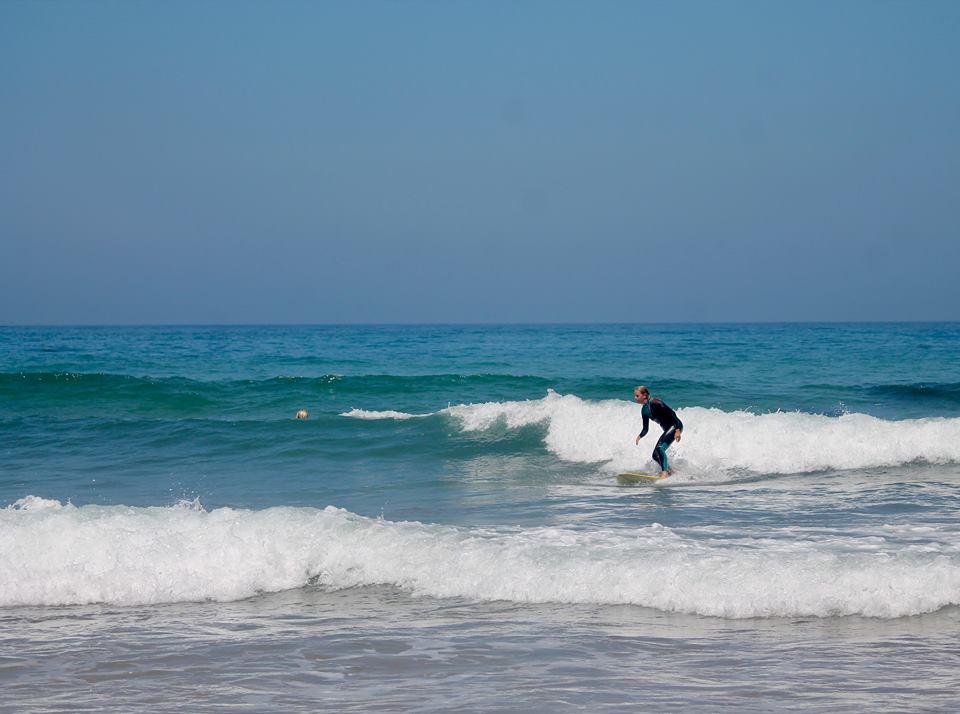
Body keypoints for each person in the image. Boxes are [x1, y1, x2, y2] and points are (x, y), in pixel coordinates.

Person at [633, 385, 683, 478]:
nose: (635, 398)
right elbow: (645, 429)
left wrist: (677, 430)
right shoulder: (644, 410)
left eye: (637, 396)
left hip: (675, 425)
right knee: (655, 455)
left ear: (644, 395)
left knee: (660, 449)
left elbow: (672, 414)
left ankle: (665, 472)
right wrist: (640, 436)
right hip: (668, 429)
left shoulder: (656, 402)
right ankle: (671, 472)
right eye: (635, 396)